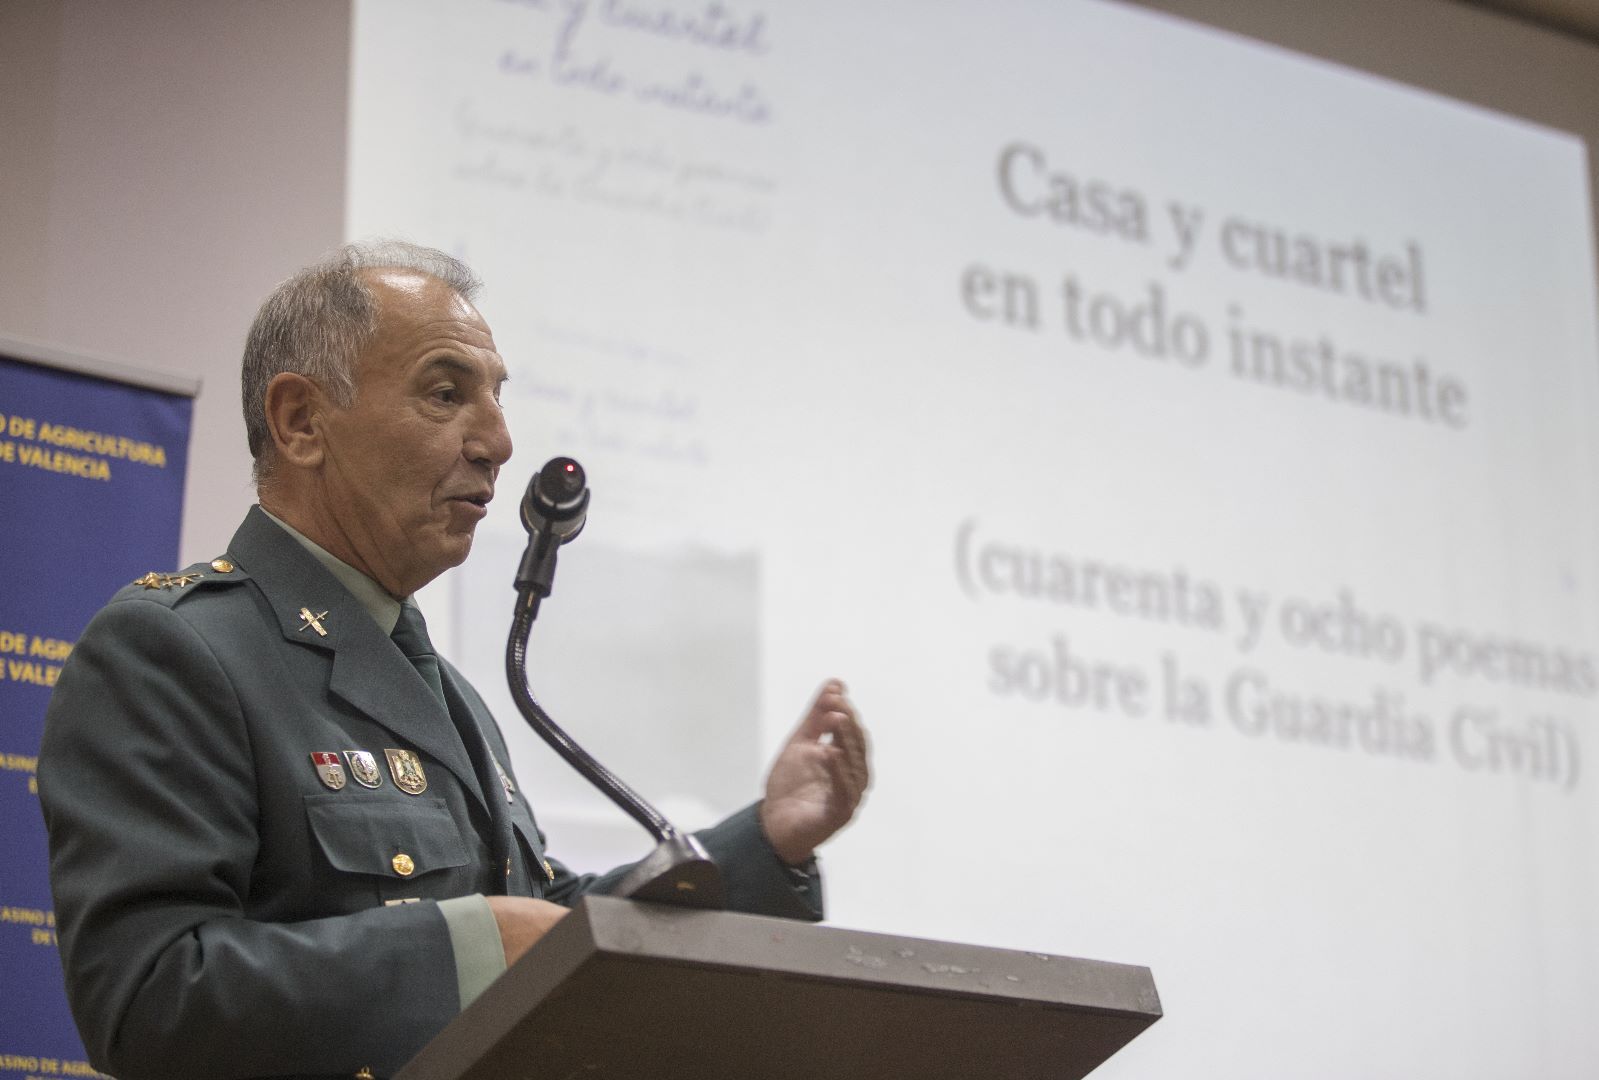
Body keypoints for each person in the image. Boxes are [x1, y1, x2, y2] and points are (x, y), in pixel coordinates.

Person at [37, 241, 870, 1080]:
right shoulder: (177, 650)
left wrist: (763, 844)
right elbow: (146, 999)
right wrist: (465, 948)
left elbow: (544, 929)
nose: (500, 442)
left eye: (498, 399)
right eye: (446, 394)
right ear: (300, 422)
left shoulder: (457, 696)